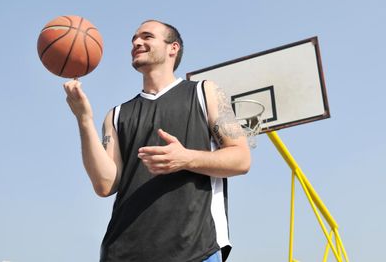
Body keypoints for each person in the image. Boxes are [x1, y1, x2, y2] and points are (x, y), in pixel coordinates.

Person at [63, 20, 250, 262]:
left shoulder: (206, 93)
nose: (136, 42)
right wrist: (84, 119)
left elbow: (241, 158)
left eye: (146, 36)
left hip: (192, 250)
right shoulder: (117, 115)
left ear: (173, 48)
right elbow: (105, 184)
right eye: (133, 39)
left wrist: (186, 158)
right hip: (122, 253)